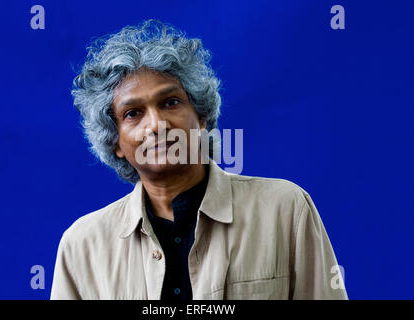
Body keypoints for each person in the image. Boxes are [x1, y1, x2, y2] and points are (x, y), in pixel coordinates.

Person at [50, 19, 348, 300]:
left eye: (170, 102)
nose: (156, 124)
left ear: (202, 117)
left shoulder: (285, 210)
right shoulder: (82, 247)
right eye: (133, 113)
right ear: (115, 141)